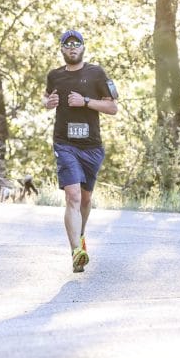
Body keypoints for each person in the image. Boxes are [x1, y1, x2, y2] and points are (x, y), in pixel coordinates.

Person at [43, 29, 118, 273]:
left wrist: (85, 101)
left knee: (85, 199)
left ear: (83, 47)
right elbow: (46, 99)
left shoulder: (96, 73)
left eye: (76, 44)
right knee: (73, 196)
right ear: (62, 49)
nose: (72, 47)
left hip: (92, 146)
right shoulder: (54, 76)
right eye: (67, 44)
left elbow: (112, 107)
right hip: (64, 143)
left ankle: (81, 235)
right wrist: (48, 103)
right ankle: (76, 251)